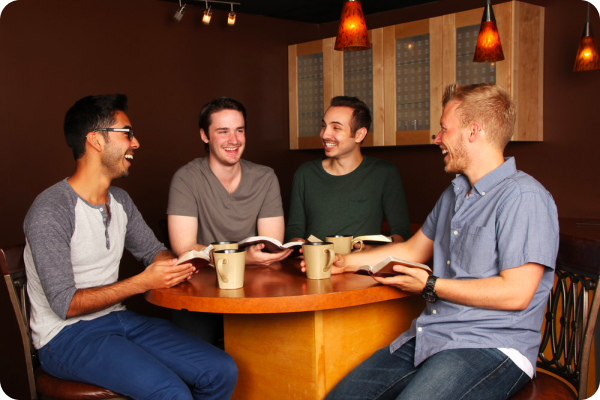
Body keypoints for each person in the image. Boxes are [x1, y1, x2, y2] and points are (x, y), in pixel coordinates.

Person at [324, 83, 559, 400]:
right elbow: (412, 249)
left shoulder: (524, 197)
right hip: (433, 334)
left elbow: (516, 293)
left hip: (493, 346)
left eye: (444, 129)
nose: (436, 139)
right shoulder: (455, 192)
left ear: (472, 131)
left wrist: (430, 285)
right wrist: (343, 261)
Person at [23, 94, 237, 400]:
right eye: (127, 133)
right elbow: (65, 303)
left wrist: (183, 263)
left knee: (221, 370)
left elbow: (153, 252)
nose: (135, 143)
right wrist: (143, 282)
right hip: (65, 338)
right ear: (96, 140)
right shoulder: (51, 209)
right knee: (171, 393)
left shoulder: (120, 201)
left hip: (118, 319)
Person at [167, 97, 292, 343]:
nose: (233, 140)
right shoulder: (186, 178)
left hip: (254, 290)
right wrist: (245, 258)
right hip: (201, 291)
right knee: (200, 361)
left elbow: (271, 242)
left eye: (239, 130)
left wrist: (248, 259)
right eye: (223, 131)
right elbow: (184, 248)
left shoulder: (265, 177)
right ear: (204, 135)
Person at [285, 96, 410, 244]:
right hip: (317, 264)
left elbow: (402, 233)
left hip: (363, 265)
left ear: (359, 134)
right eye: (324, 126)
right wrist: (300, 245)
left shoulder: (384, 173)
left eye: (336, 128)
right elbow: (293, 231)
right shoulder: (305, 173)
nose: (324, 135)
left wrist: (373, 249)